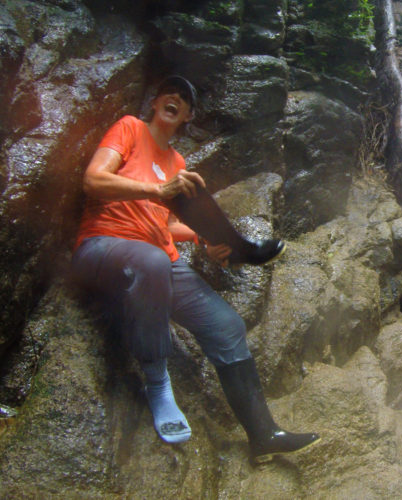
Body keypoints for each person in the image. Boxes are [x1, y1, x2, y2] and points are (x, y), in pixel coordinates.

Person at [71, 75, 318, 464]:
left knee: (227, 325)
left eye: (185, 98)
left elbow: (166, 227)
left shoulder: (177, 163)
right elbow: (93, 180)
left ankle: (263, 434)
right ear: (155, 102)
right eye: (169, 91)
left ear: (187, 115)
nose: (176, 97)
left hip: (157, 258)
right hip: (102, 246)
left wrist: (206, 240)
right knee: (152, 261)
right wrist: (156, 191)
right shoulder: (130, 129)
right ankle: (157, 382)